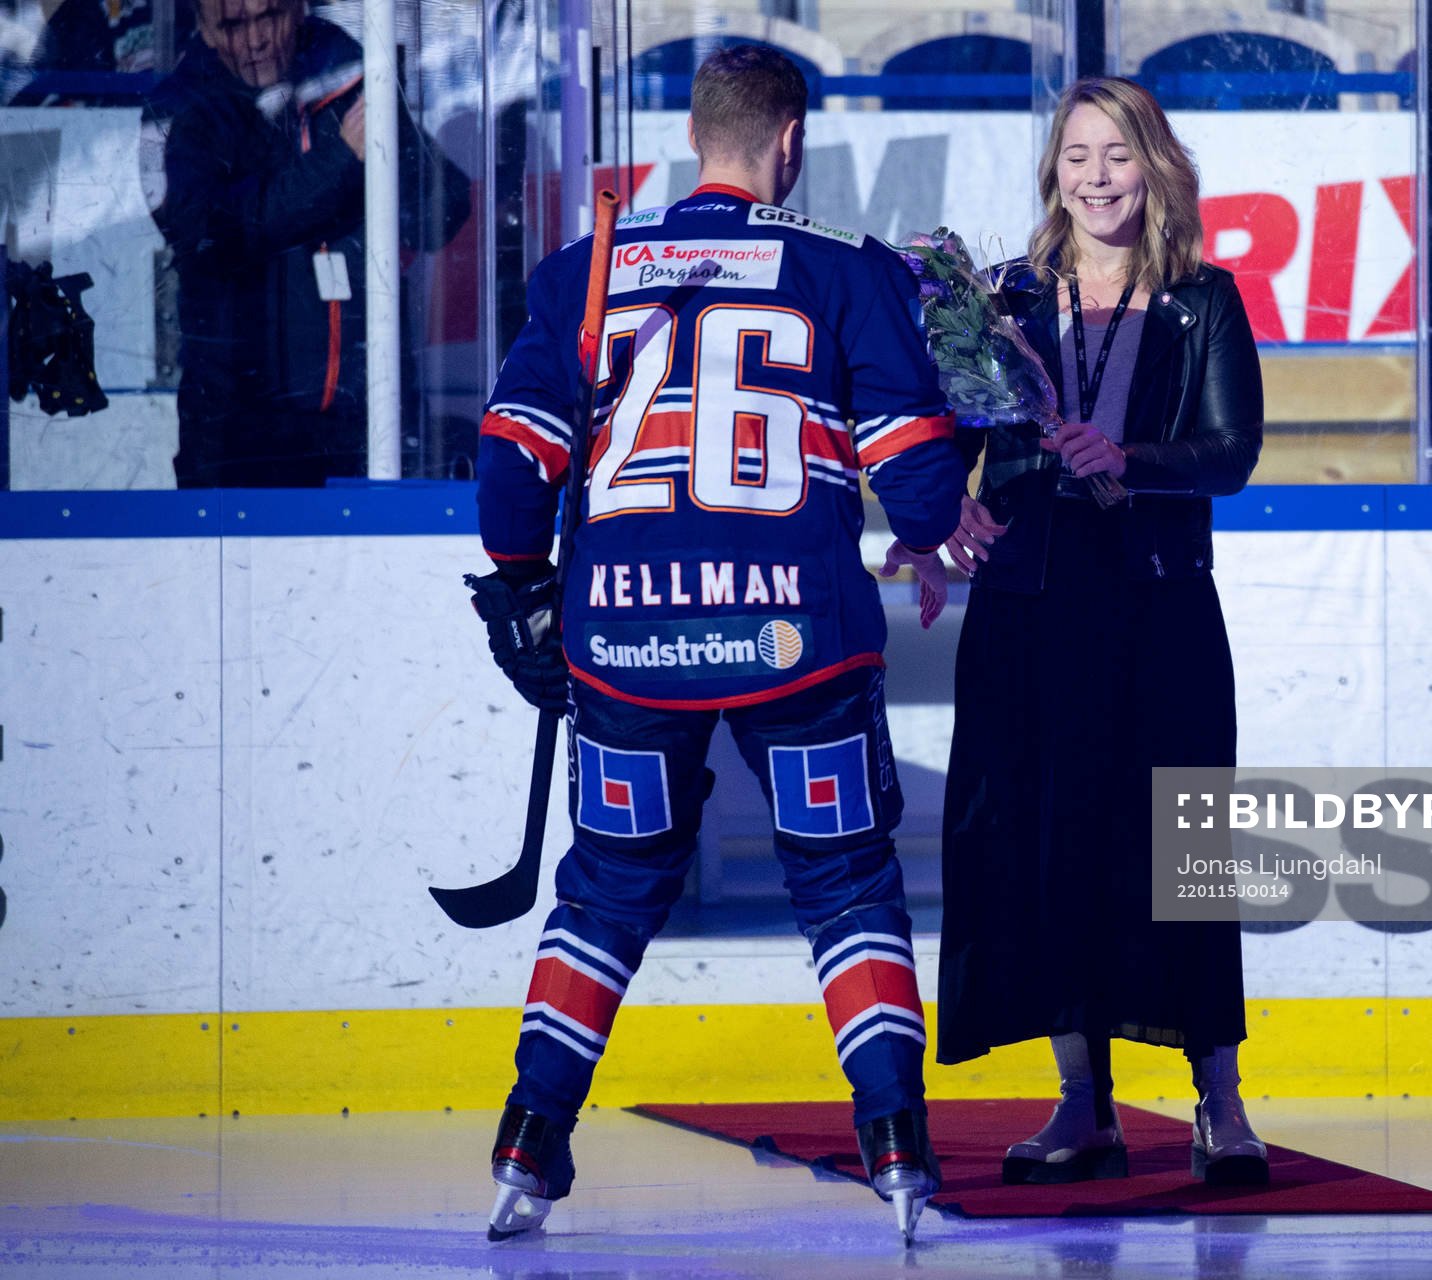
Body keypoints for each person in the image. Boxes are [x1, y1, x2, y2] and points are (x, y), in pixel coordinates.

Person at [468, 46, 963, 1242]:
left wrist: (531, 590)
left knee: (606, 888)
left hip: (628, 639)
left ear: (696, 136)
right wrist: (943, 489)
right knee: (844, 882)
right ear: (788, 141)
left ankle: (531, 1144)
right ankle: (894, 1140)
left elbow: (508, 471)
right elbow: (928, 495)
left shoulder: (588, 268)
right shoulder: (844, 270)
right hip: (798, 630)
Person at [934, 77, 1270, 1187]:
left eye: (1117, 154)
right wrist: (953, 508)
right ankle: (1084, 1104)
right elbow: (946, 435)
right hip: (1032, 604)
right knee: (1044, 845)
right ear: (1053, 170)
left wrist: (1130, 461)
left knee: (1179, 854)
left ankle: (1219, 1102)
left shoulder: (1205, 297)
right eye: (1076, 155)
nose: (1095, 176)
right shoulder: (1005, 297)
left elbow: (1230, 451)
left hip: (1158, 601)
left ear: (1155, 166)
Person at [141, 0, 470, 487]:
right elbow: (214, 233)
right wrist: (340, 160)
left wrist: (390, 141)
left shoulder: (346, 75)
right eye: (233, 25)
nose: (255, 40)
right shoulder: (179, 111)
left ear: (297, 12)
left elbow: (438, 216)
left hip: (364, 421)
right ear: (205, 32)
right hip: (238, 428)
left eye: (268, 16)